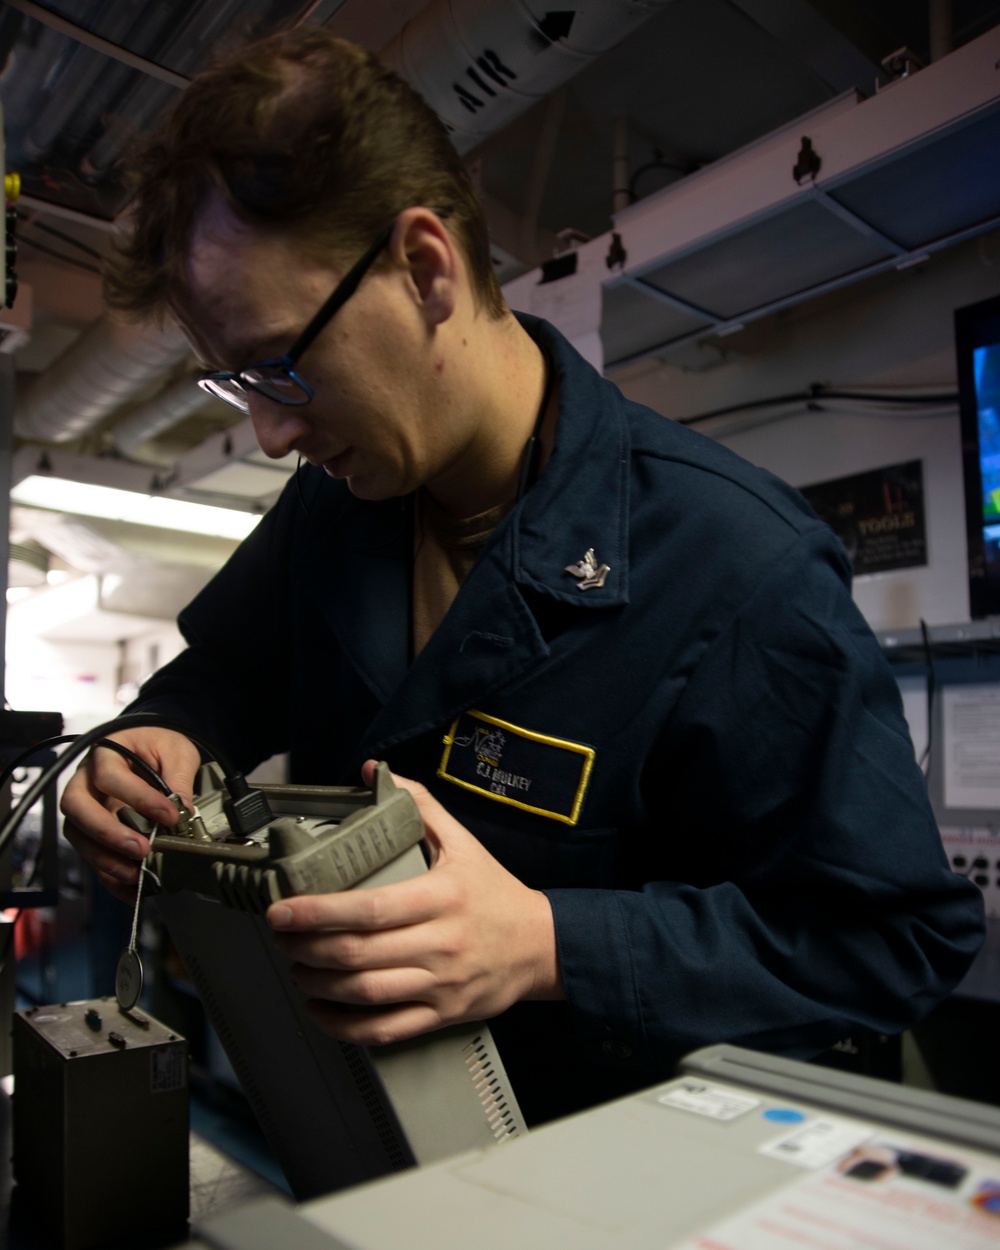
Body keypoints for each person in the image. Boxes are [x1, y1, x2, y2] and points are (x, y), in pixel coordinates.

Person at [62, 28, 984, 1127]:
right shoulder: (334, 510)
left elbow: (891, 940)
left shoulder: (737, 566)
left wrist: (552, 945)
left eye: (281, 363)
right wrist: (158, 732)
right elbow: (226, 674)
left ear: (422, 267)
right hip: (367, 1137)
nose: (267, 431)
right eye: (235, 382)